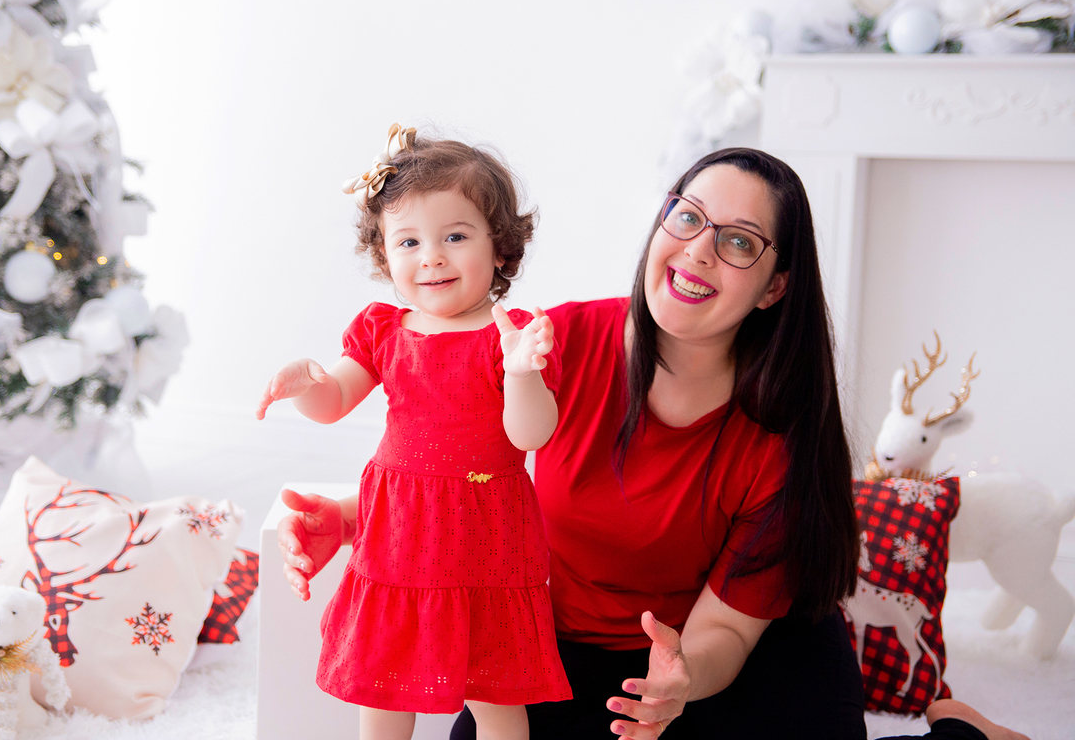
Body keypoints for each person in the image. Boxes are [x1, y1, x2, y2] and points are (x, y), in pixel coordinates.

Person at [276, 147, 1027, 740]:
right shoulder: (552, 342)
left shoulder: (774, 443)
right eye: (688, 217)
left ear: (772, 288)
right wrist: (344, 520)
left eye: (738, 242)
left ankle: (964, 733)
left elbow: (726, 632)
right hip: (570, 645)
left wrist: (678, 679)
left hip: (735, 661)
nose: (700, 250)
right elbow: (455, 466)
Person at [256, 124, 571, 740]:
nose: (431, 256)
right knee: (386, 680)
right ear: (384, 257)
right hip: (400, 526)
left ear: (500, 247)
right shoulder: (383, 329)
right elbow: (336, 400)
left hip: (486, 529)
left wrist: (522, 372)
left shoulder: (512, 334)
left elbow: (529, 435)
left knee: (496, 693)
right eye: (408, 241)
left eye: (455, 236)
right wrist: (308, 384)